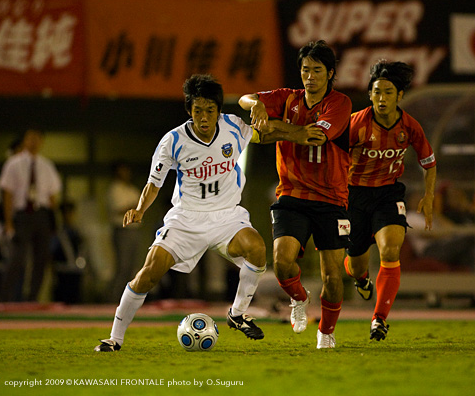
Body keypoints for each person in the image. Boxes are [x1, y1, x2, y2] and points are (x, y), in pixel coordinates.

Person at [95, 74, 267, 352]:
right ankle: (115, 338)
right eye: (197, 110)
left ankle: (237, 314)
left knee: (257, 249)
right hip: (186, 217)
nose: (204, 117)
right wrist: (140, 209)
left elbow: (267, 133)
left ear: (218, 111)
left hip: (226, 215)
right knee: (149, 273)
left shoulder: (233, 126)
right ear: (189, 111)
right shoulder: (173, 140)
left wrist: (300, 134)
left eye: (210, 110)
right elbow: (154, 183)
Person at [239, 40, 352, 349]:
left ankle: (326, 331)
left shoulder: (340, 103)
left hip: (331, 198)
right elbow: (245, 99)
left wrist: (277, 129)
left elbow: (314, 136)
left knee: (333, 276)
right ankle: (299, 299)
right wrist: (257, 105)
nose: (310, 76)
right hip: (292, 193)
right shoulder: (288, 98)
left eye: (317, 70)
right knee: (282, 261)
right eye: (305, 70)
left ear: (330, 73)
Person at [345, 60, 436, 341]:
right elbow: (334, 158)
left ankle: (379, 319)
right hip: (354, 196)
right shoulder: (355, 124)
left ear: (400, 95)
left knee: (390, 250)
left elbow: (429, 162)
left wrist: (429, 196)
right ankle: (362, 279)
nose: (382, 98)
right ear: (370, 94)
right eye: (377, 92)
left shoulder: (409, 126)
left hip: (388, 194)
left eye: (388, 92)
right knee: (356, 264)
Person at [0, 128, 62, 302]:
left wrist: (53, 220)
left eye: (37, 138)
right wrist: (8, 221)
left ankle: (32, 297)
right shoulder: (13, 163)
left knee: (41, 257)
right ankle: (5, 298)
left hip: (41, 214)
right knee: (17, 257)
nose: (34, 142)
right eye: (30, 138)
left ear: (41, 142)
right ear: (25, 140)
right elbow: (7, 194)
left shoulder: (46, 165)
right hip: (22, 214)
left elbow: (52, 195)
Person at [107, 162, 142, 301]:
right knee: (123, 266)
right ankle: (113, 297)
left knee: (132, 267)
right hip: (122, 230)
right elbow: (119, 209)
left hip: (135, 230)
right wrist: (134, 206)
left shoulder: (132, 189)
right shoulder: (114, 189)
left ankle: (127, 299)